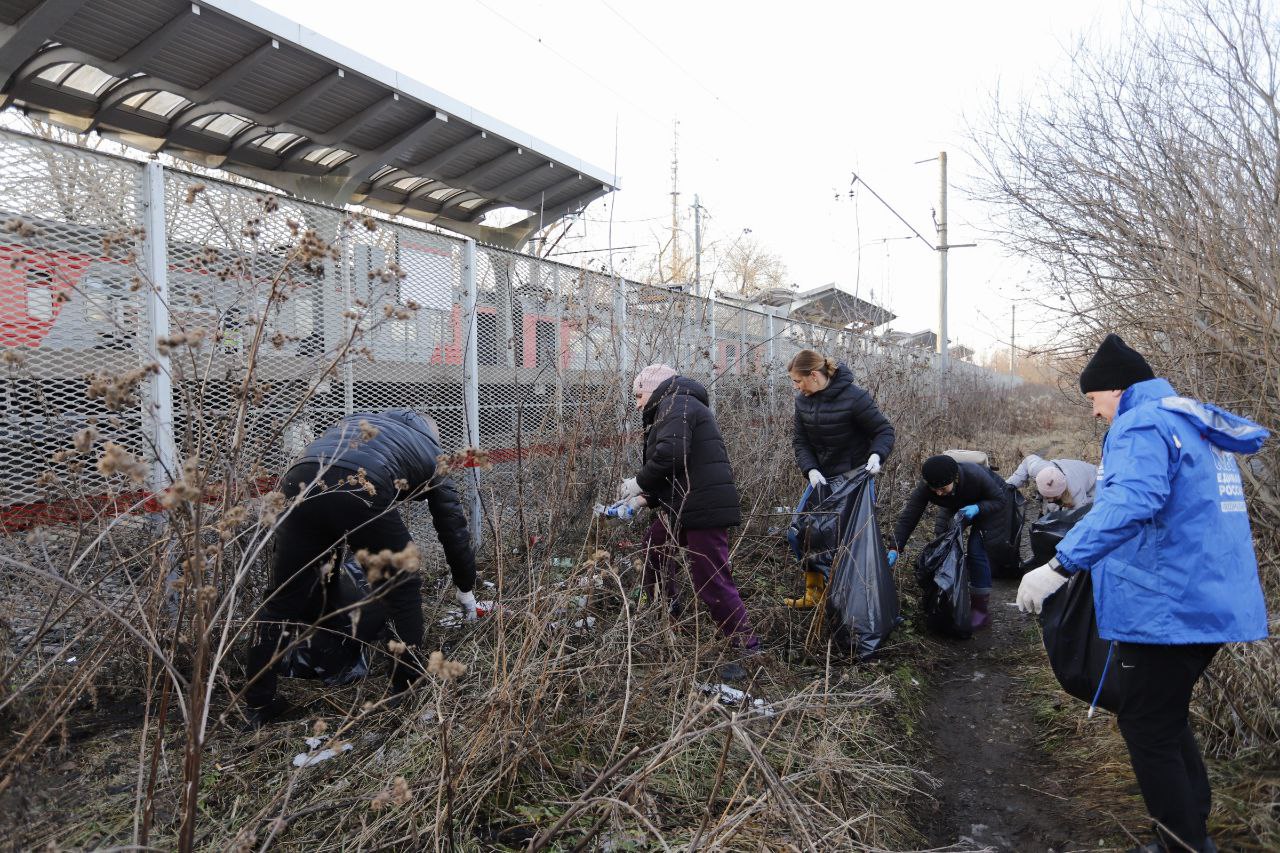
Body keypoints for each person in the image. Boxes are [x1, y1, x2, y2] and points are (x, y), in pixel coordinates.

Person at [1016, 334, 1269, 853]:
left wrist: (1060, 565)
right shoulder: (1188, 420)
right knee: (1162, 715)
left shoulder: (1141, 423)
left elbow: (1133, 500)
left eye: (1092, 401)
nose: (1093, 414)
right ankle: (1190, 832)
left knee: (1147, 724)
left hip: (1166, 605)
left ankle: (1182, 844)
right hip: (1205, 596)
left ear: (1115, 389)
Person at [243, 408, 477, 726]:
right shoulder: (431, 451)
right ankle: (405, 692)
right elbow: (453, 528)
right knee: (402, 586)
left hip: (299, 479)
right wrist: (466, 587)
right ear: (430, 434)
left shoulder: (360, 422)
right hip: (361, 483)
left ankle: (259, 704)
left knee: (282, 600)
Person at [619, 364, 759, 676]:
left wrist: (639, 483)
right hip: (685, 505)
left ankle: (746, 647)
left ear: (654, 388)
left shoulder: (675, 403)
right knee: (652, 549)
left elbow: (671, 454)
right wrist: (644, 499)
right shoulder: (676, 403)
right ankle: (665, 617)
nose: (638, 403)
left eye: (639, 395)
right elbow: (681, 470)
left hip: (701, 507)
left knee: (711, 578)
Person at [785, 349, 895, 608]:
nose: (796, 387)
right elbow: (800, 441)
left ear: (813, 375)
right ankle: (815, 595)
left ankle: (853, 601)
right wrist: (810, 469)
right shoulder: (803, 402)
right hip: (821, 479)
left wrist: (877, 456)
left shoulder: (854, 398)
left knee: (853, 541)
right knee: (801, 533)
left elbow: (883, 430)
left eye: (798, 381)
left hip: (855, 480)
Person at [889, 454, 1008, 630]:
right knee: (942, 545)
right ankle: (945, 598)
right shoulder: (929, 488)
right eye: (933, 489)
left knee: (976, 550)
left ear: (955, 478)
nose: (937, 493)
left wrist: (978, 508)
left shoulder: (975, 475)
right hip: (956, 503)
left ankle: (981, 611)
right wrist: (895, 547)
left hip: (991, 504)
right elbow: (909, 517)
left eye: (942, 488)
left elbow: (1000, 500)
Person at [1006, 453, 1097, 511]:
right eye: (1047, 496)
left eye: (1054, 496)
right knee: (1052, 507)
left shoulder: (1076, 493)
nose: (1050, 500)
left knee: (1087, 511)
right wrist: (1011, 483)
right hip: (1071, 472)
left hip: (1096, 484)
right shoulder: (1037, 468)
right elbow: (1028, 460)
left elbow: (1077, 520)